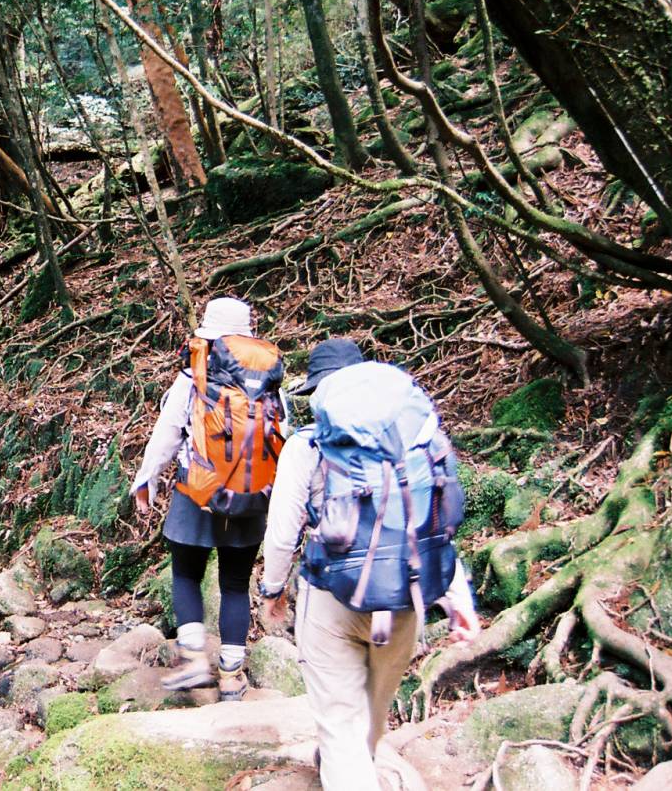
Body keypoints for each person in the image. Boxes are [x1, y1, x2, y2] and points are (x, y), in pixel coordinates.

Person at [258, 338, 480, 790]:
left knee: (340, 726)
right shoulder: (415, 436)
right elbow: (433, 521)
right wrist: (458, 599)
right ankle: (358, 767)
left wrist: (272, 590)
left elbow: (283, 532)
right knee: (372, 719)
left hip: (332, 598)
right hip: (406, 594)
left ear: (319, 391)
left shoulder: (309, 445)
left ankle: (347, 772)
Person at [130, 297, 285, 700]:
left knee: (186, 575)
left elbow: (168, 432)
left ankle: (195, 659)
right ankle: (232, 675)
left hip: (196, 492)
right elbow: (283, 437)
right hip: (252, 496)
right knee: (235, 584)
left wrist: (148, 478)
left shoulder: (195, 373)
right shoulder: (269, 379)